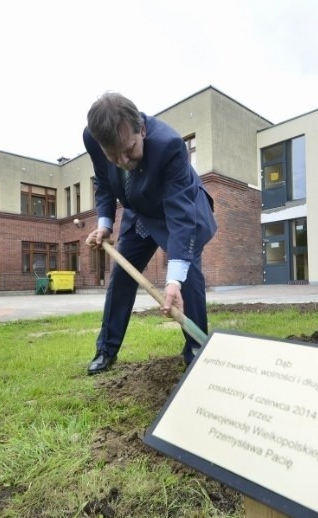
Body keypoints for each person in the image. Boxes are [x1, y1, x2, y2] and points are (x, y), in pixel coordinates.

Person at [82, 92, 217, 375]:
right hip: (139, 212)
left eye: (129, 149)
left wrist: (173, 281)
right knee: (121, 278)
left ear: (141, 130)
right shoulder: (94, 138)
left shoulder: (169, 145)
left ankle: (196, 350)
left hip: (179, 209)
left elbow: (181, 215)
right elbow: (105, 183)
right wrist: (105, 222)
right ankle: (106, 350)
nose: (122, 160)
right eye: (112, 155)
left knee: (187, 277)